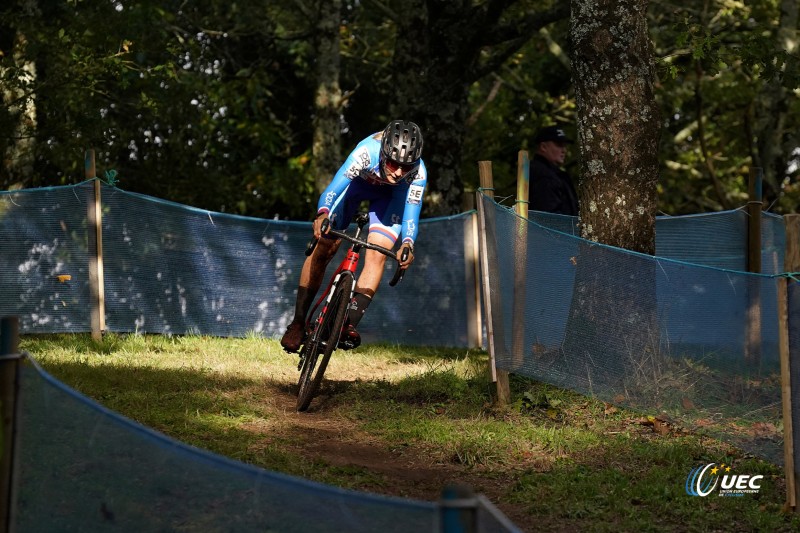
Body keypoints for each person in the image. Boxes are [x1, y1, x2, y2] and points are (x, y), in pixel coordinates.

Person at [280, 120, 427, 353]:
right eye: (392, 163)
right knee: (324, 248)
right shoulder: (365, 152)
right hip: (355, 188)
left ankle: (346, 323)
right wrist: (323, 214)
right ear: (384, 152)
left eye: (406, 167)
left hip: (390, 200)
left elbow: (411, 214)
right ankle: (298, 323)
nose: (399, 172)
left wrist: (408, 242)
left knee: (378, 254)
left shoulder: (418, 172)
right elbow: (333, 189)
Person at [529, 125, 579, 216]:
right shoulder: (543, 175)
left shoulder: (554, 173)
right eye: (559, 145)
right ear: (543, 147)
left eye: (564, 146)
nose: (564, 150)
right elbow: (548, 217)